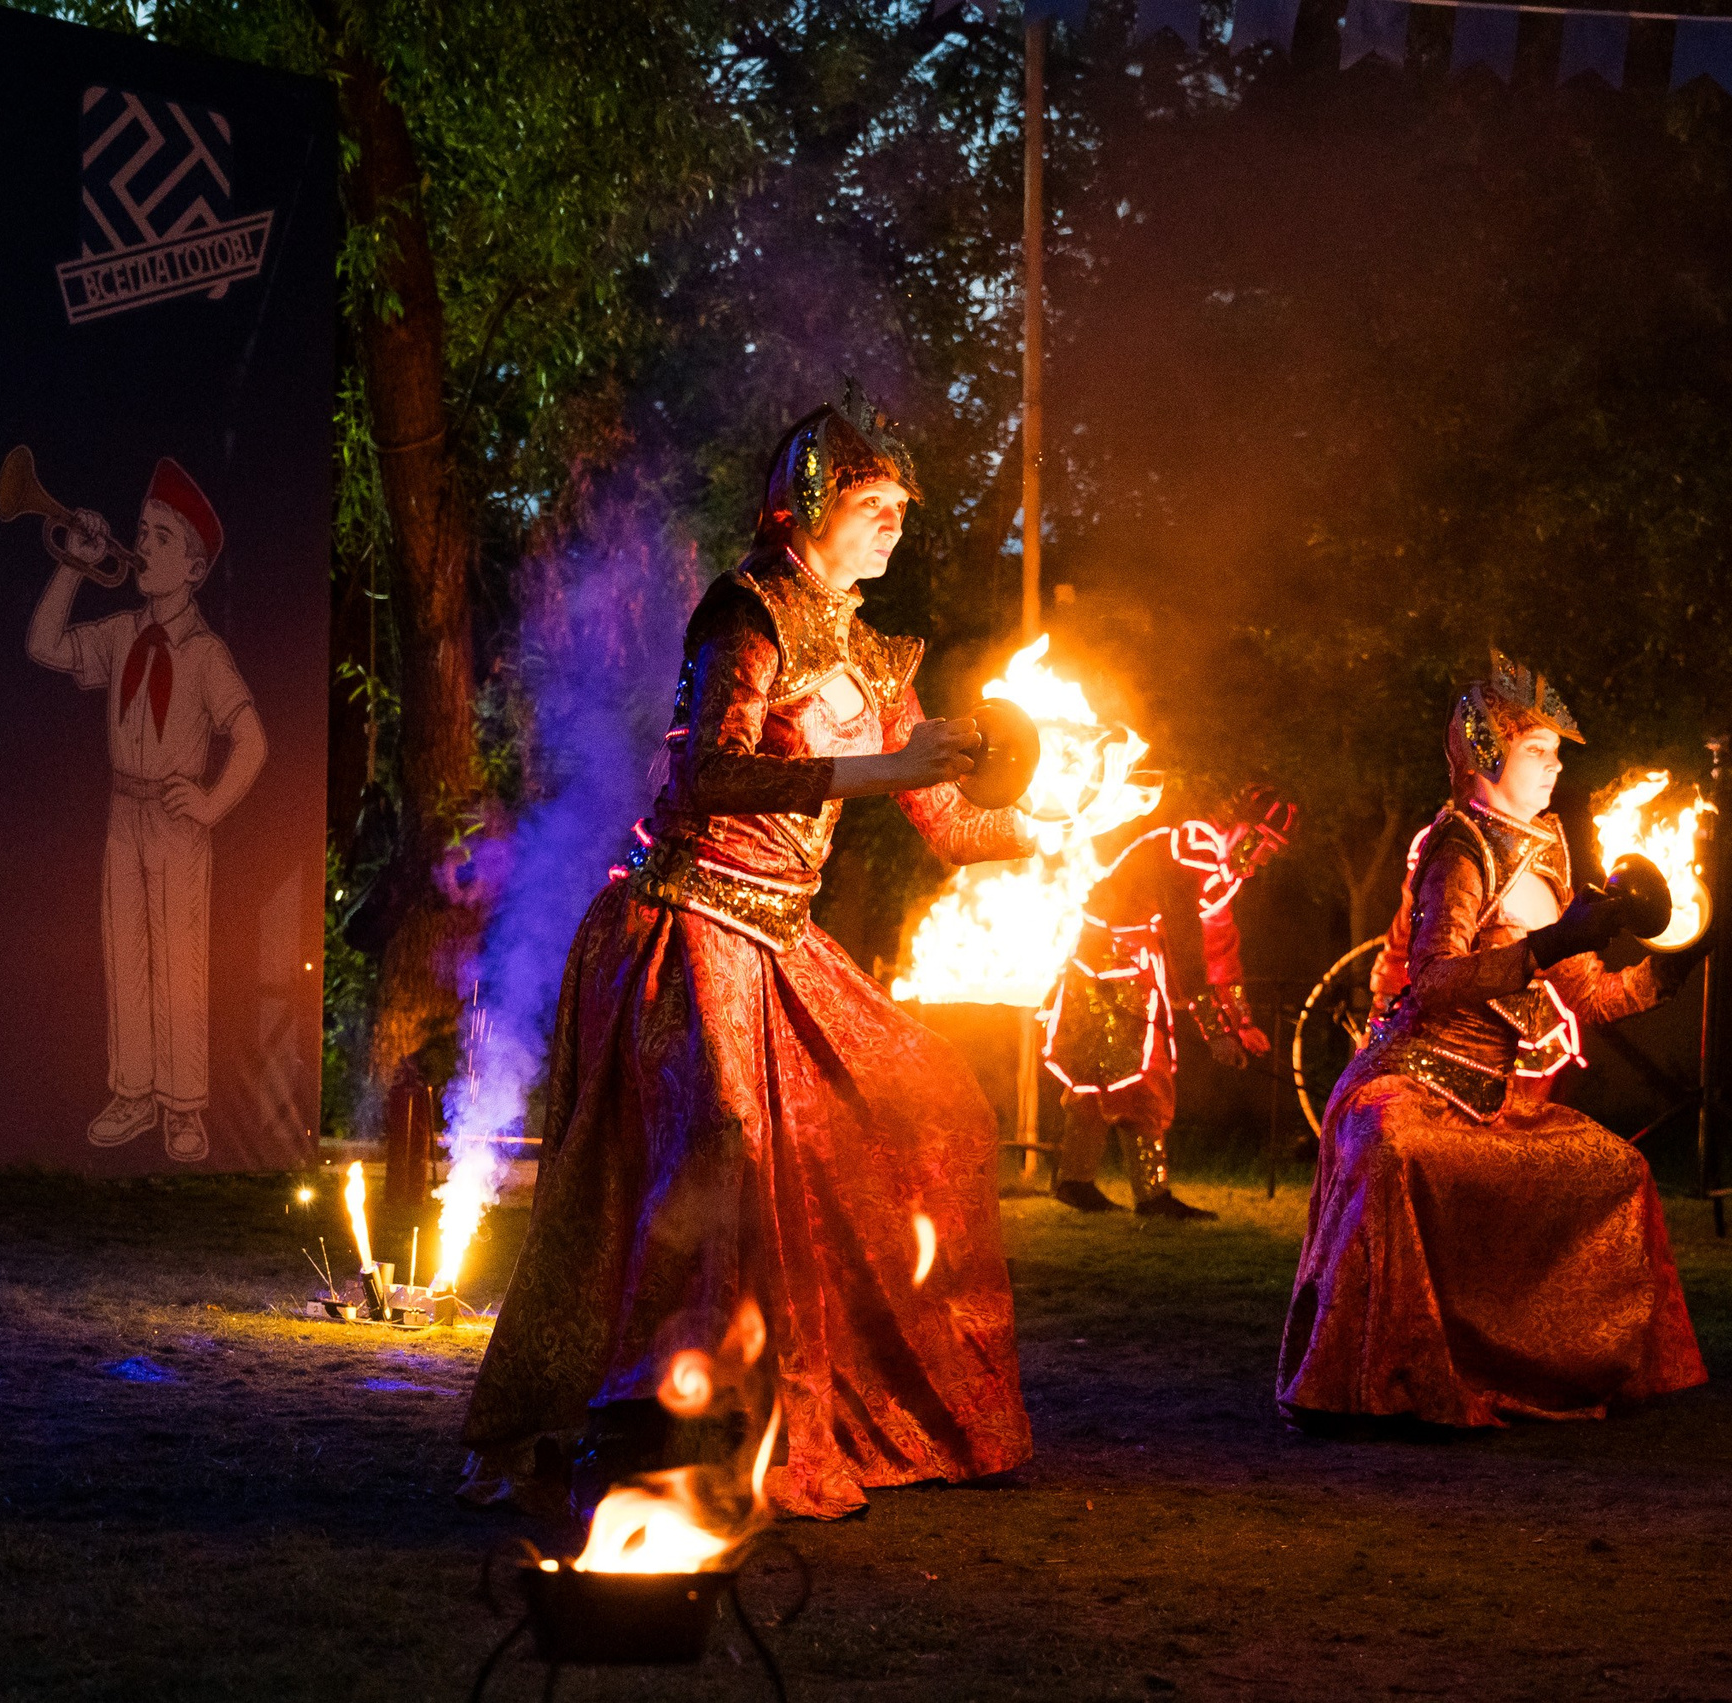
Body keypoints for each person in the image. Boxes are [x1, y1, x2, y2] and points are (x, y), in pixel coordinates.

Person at [461, 386, 1041, 1521]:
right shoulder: (747, 614)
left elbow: (947, 825)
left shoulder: (879, 659)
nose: (892, 524)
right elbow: (704, 777)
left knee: (922, 1106)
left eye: (900, 509)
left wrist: (1051, 827)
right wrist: (877, 772)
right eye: (873, 502)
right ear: (809, 505)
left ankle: (805, 1403)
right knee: (720, 1145)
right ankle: (662, 1417)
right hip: (686, 922)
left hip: (784, 938)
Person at [1275, 650, 1707, 1426]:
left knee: (1623, 1169)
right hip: (1411, 1075)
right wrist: (1545, 947)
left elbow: (1585, 995)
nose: (1550, 770)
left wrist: (1664, 976)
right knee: (1392, 1152)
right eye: (1536, 752)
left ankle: (1576, 1368)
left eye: (1553, 755)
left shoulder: (1550, 852)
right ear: (1487, 753)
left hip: (1498, 1100)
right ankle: (1375, 1383)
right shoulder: (1457, 847)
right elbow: (1434, 976)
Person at [26, 458, 267, 1166]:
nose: (142, 546)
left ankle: (184, 1104)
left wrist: (212, 801)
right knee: (123, 948)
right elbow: (42, 645)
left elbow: (251, 739)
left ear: (193, 567)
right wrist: (73, 566)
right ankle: (133, 1089)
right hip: (122, 811)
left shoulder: (204, 652)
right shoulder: (123, 632)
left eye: (161, 538)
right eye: (143, 531)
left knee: (181, 959)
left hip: (174, 815)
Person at [1039, 787, 1295, 1220]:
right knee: (1140, 1077)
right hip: (1110, 969)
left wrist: (1241, 1021)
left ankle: (1075, 1182)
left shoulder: (1213, 869)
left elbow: (1221, 948)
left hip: (1122, 965)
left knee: (1101, 1079)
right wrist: (1214, 1030)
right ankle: (1149, 1196)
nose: (1262, 859)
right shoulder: (1190, 850)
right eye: (1264, 842)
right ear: (1241, 828)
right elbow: (1183, 941)